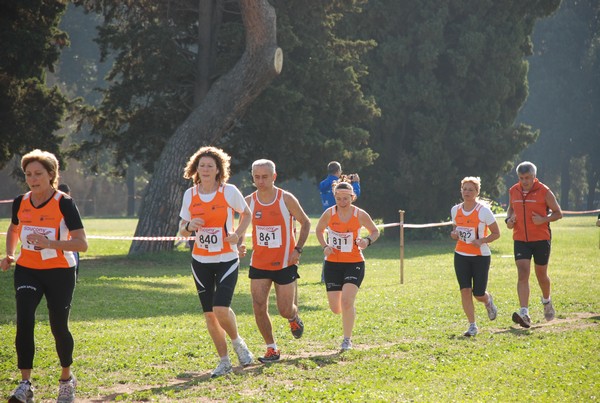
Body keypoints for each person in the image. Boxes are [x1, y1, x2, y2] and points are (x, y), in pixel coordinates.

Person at [1, 149, 88, 403]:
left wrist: (49, 243)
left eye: (38, 173)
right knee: (24, 320)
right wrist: (9, 254)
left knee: (58, 326)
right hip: (28, 269)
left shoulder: (64, 203)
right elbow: (14, 229)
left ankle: (66, 380)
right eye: (28, 174)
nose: (33, 178)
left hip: (60, 271)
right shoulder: (21, 201)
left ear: (51, 174)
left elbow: (82, 244)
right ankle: (25, 384)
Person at [178, 146, 254, 378]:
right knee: (210, 314)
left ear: (219, 169)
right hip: (200, 260)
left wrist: (238, 234)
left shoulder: (228, 191)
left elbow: (247, 214)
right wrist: (190, 227)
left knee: (221, 308)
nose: (206, 169)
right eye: (202, 165)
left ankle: (238, 342)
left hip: (226, 258)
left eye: (210, 165)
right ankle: (224, 361)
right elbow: (182, 231)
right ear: (196, 170)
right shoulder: (190, 195)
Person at [241, 159, 311, 363]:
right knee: (258, 304)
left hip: (285, 262)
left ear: (274, 176)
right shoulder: (248, 201)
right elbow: (241, 229)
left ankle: (293, 318)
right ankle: (271, 348)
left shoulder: (286, 198)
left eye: (265, 177)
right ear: (252, 177)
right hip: (259, 263)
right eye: (256, 177)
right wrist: (239, 244)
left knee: (284, 309)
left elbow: (305, 222)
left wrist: (298, 249)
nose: (260, 181)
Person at [315, 180, 379, 351]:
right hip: (332, 264)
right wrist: (325, 246)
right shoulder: (329, 214)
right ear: (334, 197)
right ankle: (346, 315)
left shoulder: (360, 214)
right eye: (339, 199)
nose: (342, 203)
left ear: (353, 197)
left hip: (354, 262)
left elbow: (375, 231)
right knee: (336, 308)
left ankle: (347, 339)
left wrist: (366, 240)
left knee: (347, 301)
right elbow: (319, 230)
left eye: (346, 199)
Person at [505, 161, 562, 328]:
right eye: (521, 178)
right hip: (520, 239)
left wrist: (543, 219)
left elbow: (558, 213)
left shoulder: (544, 191)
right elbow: (510, 209)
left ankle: (546, 301)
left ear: (534, 177)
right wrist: (509, 220)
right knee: (522, 273)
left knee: (541, 275)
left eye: (528, 178)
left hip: (541, 239)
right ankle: (524, 312)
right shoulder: (513, 190)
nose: (525, 181)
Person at [450, 177, 500, 337]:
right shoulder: (455, 210)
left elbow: (496, 233)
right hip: (461, 255)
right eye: (464, 189)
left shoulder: (483, 211)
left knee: (478, 293)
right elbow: (456, 231)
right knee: (465, 290)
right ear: (461, 191)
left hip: (480, 256)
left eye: (471, 189)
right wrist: (454, 235)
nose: (467, 192)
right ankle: (472, 326)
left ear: (477, 192)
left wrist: (482, 240)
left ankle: (487, 300)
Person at [58, 183, 80, 282]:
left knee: (74, 257)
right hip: (62, 238)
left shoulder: (70, 204)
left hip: (71, 238)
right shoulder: (63, 204)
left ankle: (74, 275)